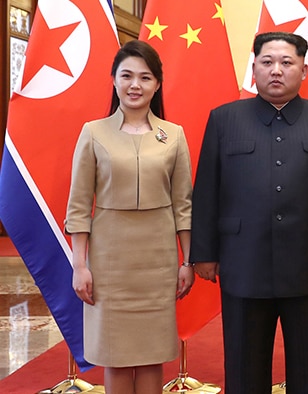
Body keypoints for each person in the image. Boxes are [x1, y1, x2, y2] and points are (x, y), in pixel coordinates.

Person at [189, 32, 308, 394]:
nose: (276, 71)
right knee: (244, 367)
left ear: (304, 69)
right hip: (243, 263)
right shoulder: (224, 119)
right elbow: (206, 191)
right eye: (267, 62)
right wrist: (203, 253)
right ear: (254, 68)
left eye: (287, 63)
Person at [65, 40, 194, 393]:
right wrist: (80, 265)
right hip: (109, 262)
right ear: (114, 80)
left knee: (153, 354)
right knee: (116, 354)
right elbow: (78, 206)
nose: (135, 85)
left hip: (158, 262)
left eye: (145, 77)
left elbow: (183, 205)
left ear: (157, 84)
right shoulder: (93, 133)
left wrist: (189, 261)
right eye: (127, 76)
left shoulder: (174, 136)